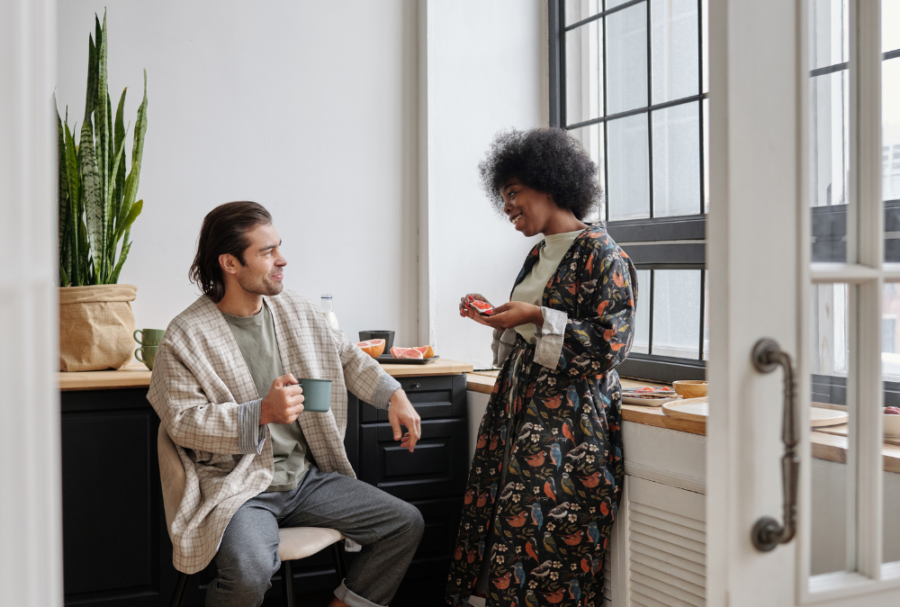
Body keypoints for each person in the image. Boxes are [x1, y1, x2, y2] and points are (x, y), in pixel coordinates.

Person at [147, 201, 424, 607]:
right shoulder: (185, 336)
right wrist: (261, 413)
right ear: (230, 263)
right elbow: (184, 421)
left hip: (305, 479)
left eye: (278, 247)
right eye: (267, 252)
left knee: (404, 523)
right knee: (248, 571)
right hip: (239, 487)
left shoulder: (295, 309)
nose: (282, 260)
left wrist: (394, 394)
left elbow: (347, 356)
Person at [444, 129, 637, 607]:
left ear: (548, 185)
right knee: (498, 534)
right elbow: (532, 331)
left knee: (546, 542)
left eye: (513, 194)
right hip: (517, 407)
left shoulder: (603, 254)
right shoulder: (538, 252)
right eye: (503, 197)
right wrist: (497, 317)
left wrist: (533, 315)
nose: (507, 207)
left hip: (569, 424)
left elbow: (610, 345)